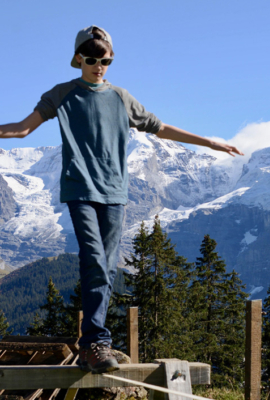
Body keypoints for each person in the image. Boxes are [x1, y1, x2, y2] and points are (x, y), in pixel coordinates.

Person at [0, 25, 242, 374]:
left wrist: (210, 142)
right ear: (79, 58)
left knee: (106, 266)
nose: (99, 65)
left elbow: (161, 127)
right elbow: (22, 129)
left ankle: (91, 346)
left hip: (115, 193)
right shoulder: (62, 94)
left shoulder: (121, 98)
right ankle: (96, 341)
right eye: (93, 58)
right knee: (94, 259)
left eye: (106, 59)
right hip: (79, 189)